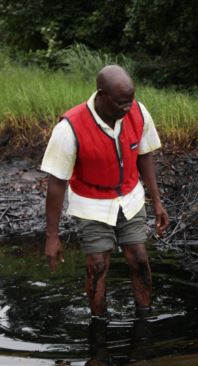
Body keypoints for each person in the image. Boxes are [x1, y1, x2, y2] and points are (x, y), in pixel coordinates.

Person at [41, 64, 170, 318]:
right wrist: (52, 237)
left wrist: (157, 202)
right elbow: (56, 183)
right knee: (98, 264)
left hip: (130, 197)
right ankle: (98, 325)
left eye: (130, 101)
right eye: (121, 103)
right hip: (91, 202)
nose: (127, 108)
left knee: (140, 259)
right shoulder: (70, 128)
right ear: (101, 95)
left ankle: (144, 317)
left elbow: (144, 156)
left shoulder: (138, 112)